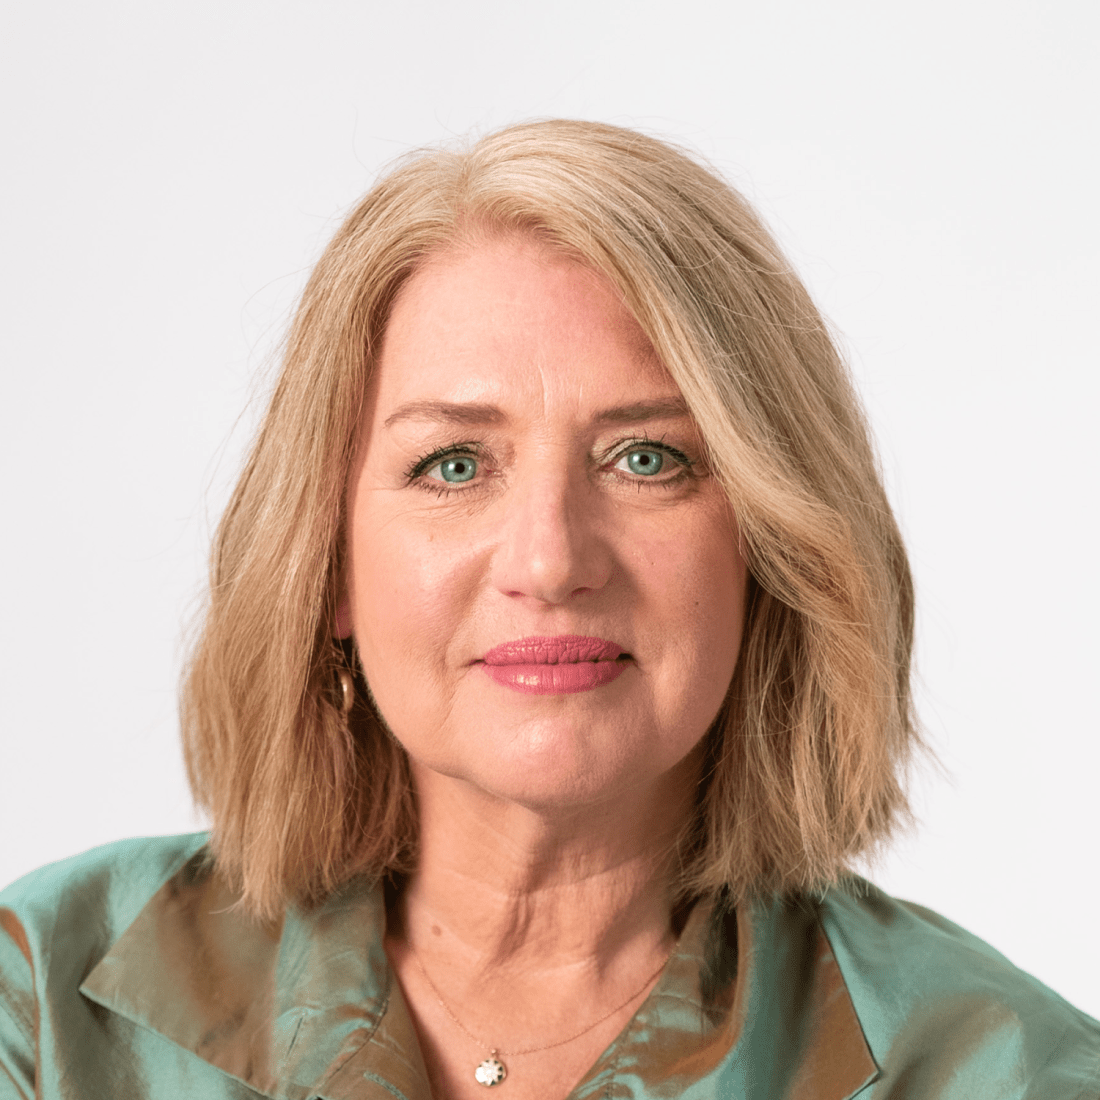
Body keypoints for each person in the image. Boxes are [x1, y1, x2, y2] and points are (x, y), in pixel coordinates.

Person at [1, 119, 1097, 1100]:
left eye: (645, 456)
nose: (548, 557)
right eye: (452, 464)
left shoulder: (1008, 1073)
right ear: (328, 563)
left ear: (770, 546)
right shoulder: (45, 997)